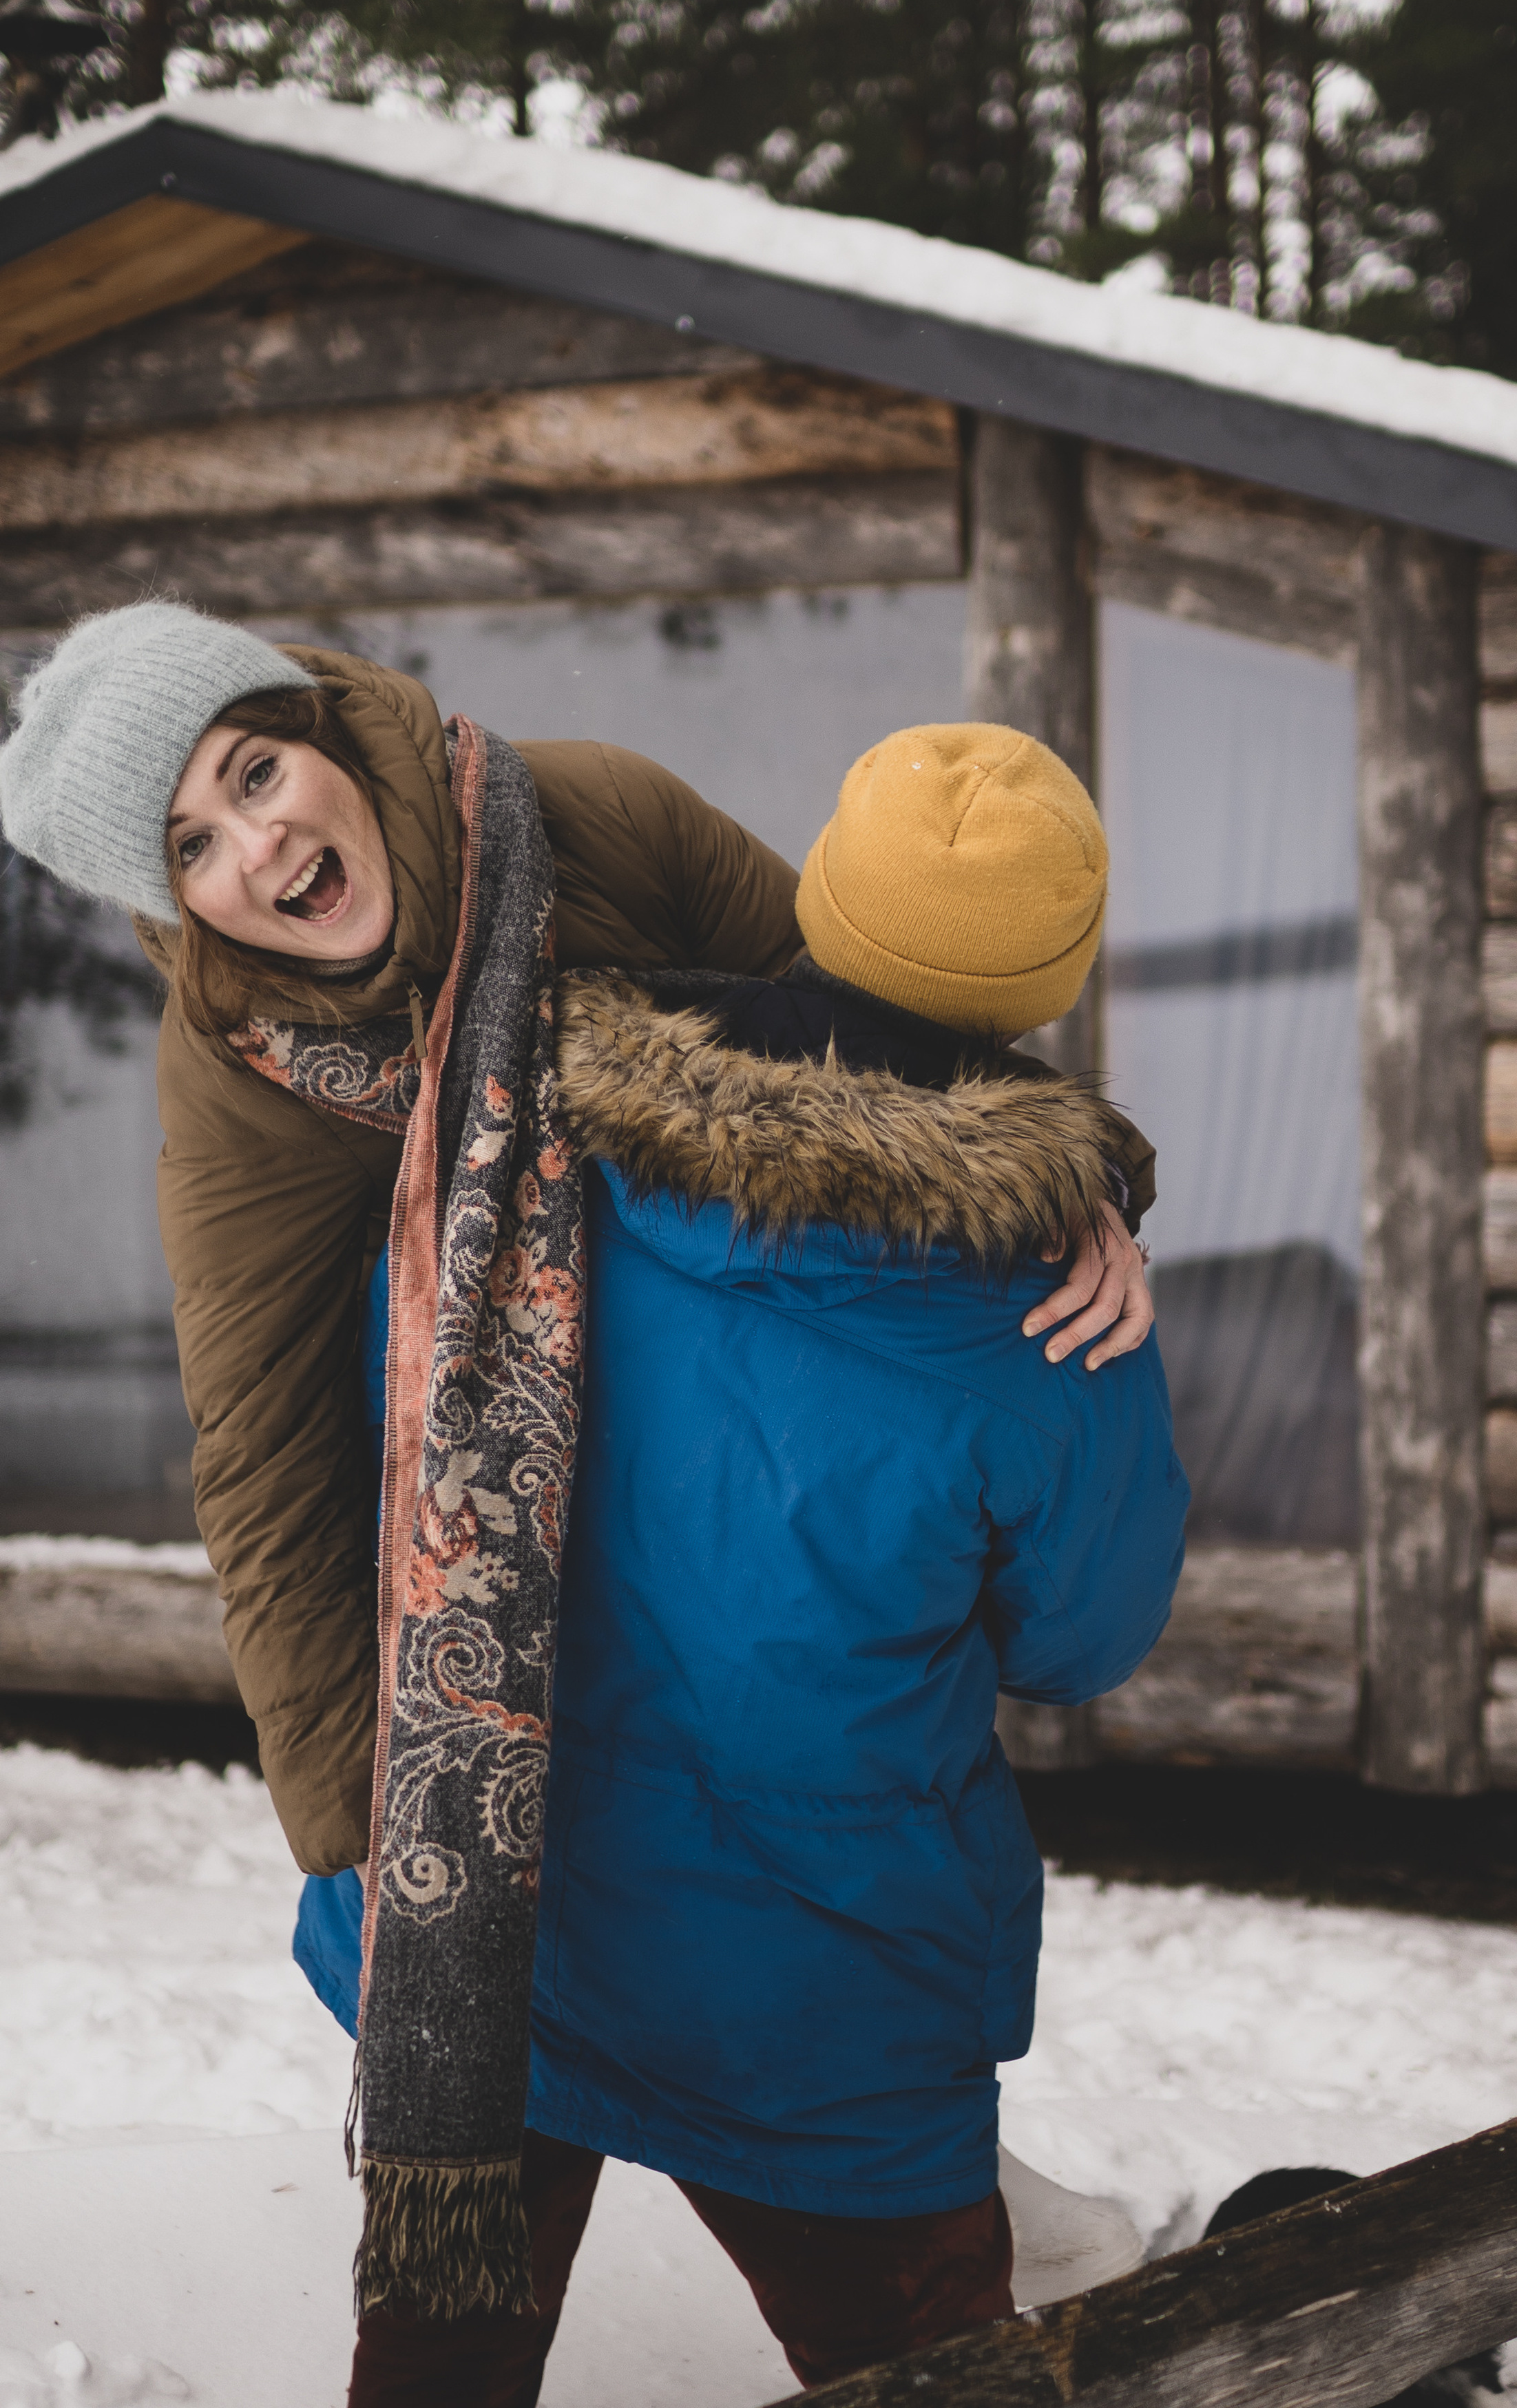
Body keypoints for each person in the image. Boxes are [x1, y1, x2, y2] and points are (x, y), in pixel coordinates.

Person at [0, 613, 1162, 2356]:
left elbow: (885, 1024)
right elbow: (255, 1447)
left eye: (254, 771)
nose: (262, 848)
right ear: (170, 905)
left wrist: (1063, 1190)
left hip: (728, 1509)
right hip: (494, 1647)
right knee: (497, 2195)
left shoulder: (589, 816)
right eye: (191, 849)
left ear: (316, 722)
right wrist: (373, 1846)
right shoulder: (241, 1075)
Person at [300, 720, 1188, 2404]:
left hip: (482, 1928)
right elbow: (1082, 1638)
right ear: (1045, 984)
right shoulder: (1057, 1313)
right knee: (920, 2359)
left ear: (828, 897)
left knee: (436, 2370)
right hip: (816, 1987)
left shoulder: (521, 1121)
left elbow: (391, 1423)